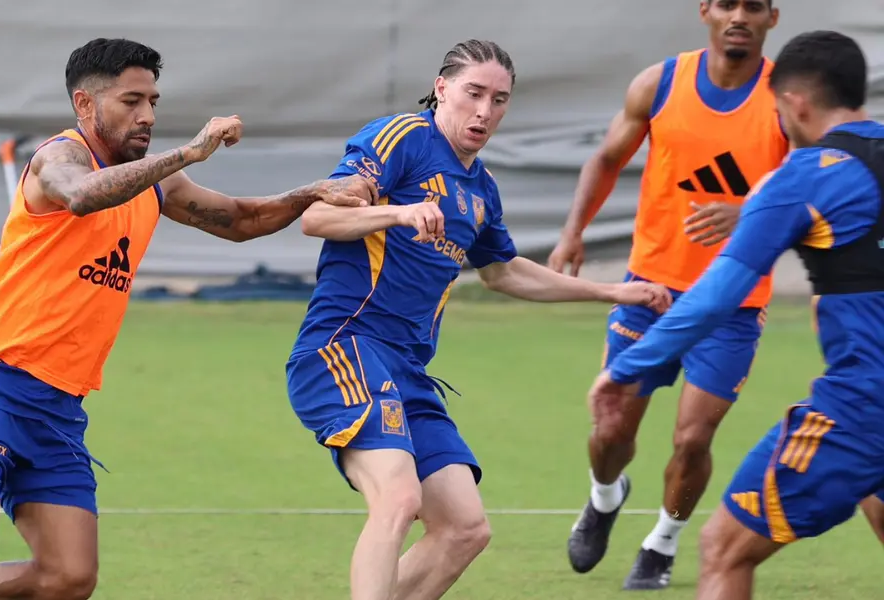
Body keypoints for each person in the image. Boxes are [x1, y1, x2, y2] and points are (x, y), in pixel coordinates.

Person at [0, 37, 376, 600]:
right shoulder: (57, 159)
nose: (148, 116)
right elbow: (83, 196)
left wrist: (311, 191)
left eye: (153, 101)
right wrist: (188, 152)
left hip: (59, 405)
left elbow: (240, 220)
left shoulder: (152, 182)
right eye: (131, 101)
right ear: (85, 105)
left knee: (69, 577)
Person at [286, 39, 673, 600]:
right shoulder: (401, 139)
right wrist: (397, 211)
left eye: (499, 100)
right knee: (398, 500)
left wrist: (611, 290)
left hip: (408, 370)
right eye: (473, 93)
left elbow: (503, 272)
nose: (485, 111)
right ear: (441, 89)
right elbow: (317, 216)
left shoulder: (480, 188)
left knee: (465, 528)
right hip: (344, 347)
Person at [589, 30, 884, 600]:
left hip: (864, 406)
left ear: (795, 103)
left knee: (724, 549)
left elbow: (716, 295)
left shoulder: (803, 175)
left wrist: (627, 368)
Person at [547, 0, 790, 589]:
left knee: (692, 439)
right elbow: (606, 159)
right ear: (705, 10)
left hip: (733, 304)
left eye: (753, 6)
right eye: (726, 3)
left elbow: (816, 180)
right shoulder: (660, 83)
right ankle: (605, 498)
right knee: (610, 433)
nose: (739, 15)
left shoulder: (787, 95)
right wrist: (572, 232)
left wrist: (747, 214)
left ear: (771, 18)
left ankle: (663, 540)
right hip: (649, 292)